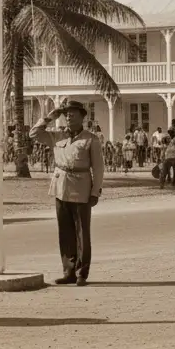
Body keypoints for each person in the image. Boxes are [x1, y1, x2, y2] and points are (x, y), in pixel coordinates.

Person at [29, 98, 104, 287]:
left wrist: (95, 192)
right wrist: (49, 117)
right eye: (66, 114)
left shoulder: (90, 139)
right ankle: (68, 271)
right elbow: (33, 134)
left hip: (81, 188)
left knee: (81, 233)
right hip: (60, 187)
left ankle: (81, 272)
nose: (68, 117)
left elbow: (98, 168)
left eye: (73, 113)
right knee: (65, 232)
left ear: (82, 117)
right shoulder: (57, 136)